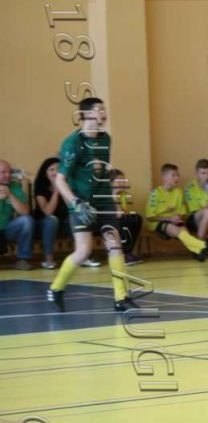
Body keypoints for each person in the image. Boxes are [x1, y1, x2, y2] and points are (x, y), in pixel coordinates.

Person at [47, 97, 137, 312]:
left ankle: (121, 298)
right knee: (83, 251)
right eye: (99, 110)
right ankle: (56, 289)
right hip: (81, 203)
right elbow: (60, 180)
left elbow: (102, 171)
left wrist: (112, 198)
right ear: (86, 114)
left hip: (103, 200)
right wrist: (76, 202)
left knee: (115, 246)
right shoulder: (72, 144)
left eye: (104, 110)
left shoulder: (106, 139)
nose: (103, 114)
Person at [145, 163, 208, 261]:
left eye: (177, 175)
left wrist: (178, 218)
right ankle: (202, 246)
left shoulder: (178, 192)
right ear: (164, 177)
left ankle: (198, 250)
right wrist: (169, 218)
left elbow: (182, 213)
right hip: (158, 223)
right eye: (173, 175)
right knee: (172, 228)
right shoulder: (156, 193)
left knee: (183, 229)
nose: (177, 178)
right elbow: (149, 217)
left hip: (173, 221)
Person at [31, 157, 70, 269]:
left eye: (58, 169)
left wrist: (63, 187)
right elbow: (48, 212)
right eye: (51, 170)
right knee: (51, 220)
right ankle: (49, 260)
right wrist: (57, 190)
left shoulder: (68, 184)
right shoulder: (40, 187)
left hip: (62, 224)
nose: (55, 172)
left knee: (77, 218)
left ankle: (83, 256)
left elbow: (71, 207)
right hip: (43, 225)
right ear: (45, 173)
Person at [0, 159, 35, 270]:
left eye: (9, 172)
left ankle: (22, 259)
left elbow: (25, 212)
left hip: (7, 229)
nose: (8, 175)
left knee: (26, 220)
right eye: (3, 172)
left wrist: (10, 195)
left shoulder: (14, 186)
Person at [109, 169, 143, 265]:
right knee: (123, 222)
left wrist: (117, 197)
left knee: (136, 218)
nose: (123, 183)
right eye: (119, 181)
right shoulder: (105, 195)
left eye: (123, 180)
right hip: (105, 223)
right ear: (111, 183)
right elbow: (118, 215)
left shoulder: (124, 195)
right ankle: (123, 254)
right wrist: (114, 196)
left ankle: (128, 252)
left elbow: (122, 213)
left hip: (117, 220)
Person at [185, 158, 208, 248]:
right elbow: (196, 210)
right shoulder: (190, 188)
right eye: (203, 173)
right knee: (207, 212)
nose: (207, 176)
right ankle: (199, 245)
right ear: (197, 173)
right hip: (193, 219)